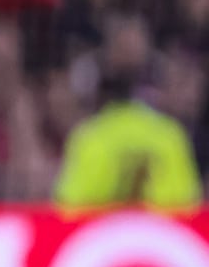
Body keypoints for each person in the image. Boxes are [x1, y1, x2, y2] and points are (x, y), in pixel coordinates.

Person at [53, 77, 202, 212]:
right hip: (162, 236)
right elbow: (190, 203)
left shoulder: (88, 136)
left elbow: (67, 205)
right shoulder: (171, 134)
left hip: (104, 236)